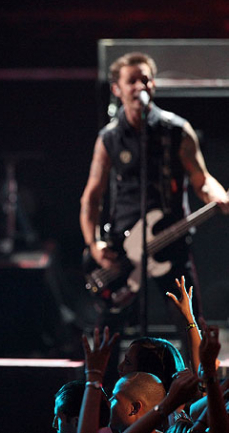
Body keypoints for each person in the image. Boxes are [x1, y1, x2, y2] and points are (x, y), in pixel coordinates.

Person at [79, 52, 229, 336]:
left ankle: (196, 380)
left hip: (170, 241)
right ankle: (101, 381)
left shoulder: (177, 130)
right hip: (123, 247)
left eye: (145, 80)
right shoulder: (109, 137)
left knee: (190, 324)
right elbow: (92, 197)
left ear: (154, 86)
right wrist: (95, 244)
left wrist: (217, 195)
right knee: (109, 331)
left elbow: (202, 179)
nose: (139, 86)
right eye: (131, 81)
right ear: (117, 89)